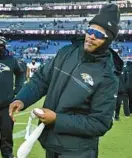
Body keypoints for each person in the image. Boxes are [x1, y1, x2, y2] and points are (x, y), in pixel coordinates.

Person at [9, 4, 123, 158]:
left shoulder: (108, 76)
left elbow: (100, 123)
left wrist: (57, 119)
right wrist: (22, 99)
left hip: (78, 151)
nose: (91, 36)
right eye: (90, 30)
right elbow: (41, 80)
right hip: (51, 143)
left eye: (98, 33)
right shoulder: (66, 52)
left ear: (108, 40)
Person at [0, 36, 24, 158]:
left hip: (6, 105)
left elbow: (20, 73)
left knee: (7, 134)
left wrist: (18, 90)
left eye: (1, 45)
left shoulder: (11, 60)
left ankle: (8, 155)